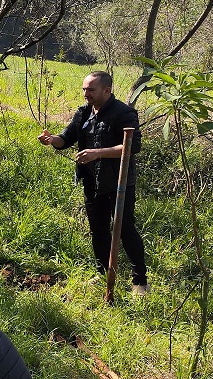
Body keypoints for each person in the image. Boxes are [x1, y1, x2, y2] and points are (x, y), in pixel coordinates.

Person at [37, 71, 149, 295]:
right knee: (98, 231)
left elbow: (132, 146)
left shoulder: (124, 113)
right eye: (84, 89)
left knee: (126, 229)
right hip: (92, 183)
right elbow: (66, 139)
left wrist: (98, 153)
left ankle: (140, 281)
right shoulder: (83, 113)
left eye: (91, 89)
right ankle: (102, 274)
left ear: (107, 91)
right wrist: (52, 140)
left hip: (119, 184)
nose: (85, 94)